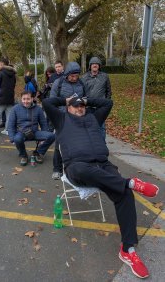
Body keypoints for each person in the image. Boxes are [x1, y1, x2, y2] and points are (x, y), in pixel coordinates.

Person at [42, 95, 159, 279]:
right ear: (68, 108)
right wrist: (66, 99)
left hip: (103, 165)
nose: (80, 108)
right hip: (78, 167)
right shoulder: (61, 119)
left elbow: (108, 103)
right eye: (76, 106)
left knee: (125, 195)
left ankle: (128, 249)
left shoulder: (93, 117)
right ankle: (129, 182)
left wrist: (86, 100)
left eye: (82, 106)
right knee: (83, 170)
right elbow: (47, 102)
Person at [50, 61, 85, 180]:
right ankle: (57, 169)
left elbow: (86, 99)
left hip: (77, 118)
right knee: (59, 144)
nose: (75, 78)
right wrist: (64, 103)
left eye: (77, 75)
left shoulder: (81, 84)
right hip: (62, 117)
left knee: (76, 144)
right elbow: (52, 101)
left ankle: (74, 168)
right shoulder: (58, 83)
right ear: (67, 74)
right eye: (72, 76)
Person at [8, 91, 55, 166]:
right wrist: (12, 138)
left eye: (28, 99)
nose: (26, 101)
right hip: (21, 133)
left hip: (35, 132)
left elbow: (43, 123)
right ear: (21, 99)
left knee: (52, 136)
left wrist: (43, 139)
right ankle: (23, 155)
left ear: (32, 99)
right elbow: (10, 125)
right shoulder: (15, 109)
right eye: (24, 99)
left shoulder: (38, 109)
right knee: (17, 139)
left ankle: (38, 153)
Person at [81, 56, 112, 139]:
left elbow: (108, 91)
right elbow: (81, 91)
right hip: (88, 107)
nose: (95, 65)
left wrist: (106, 102)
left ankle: (102, 144)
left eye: (96, 64)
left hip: (100, 107)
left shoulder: (105, 76)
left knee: (101, 127)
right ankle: (90, 145)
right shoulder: (84, 77)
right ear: (90, 66)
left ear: (99, 66)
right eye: (93, 64)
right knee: (88, 126)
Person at [0, 58, 16, 136]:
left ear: (3, 64)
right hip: (10, 97)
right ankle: (7, 130)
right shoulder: (13, 74)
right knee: (9, 115)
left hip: (0, 98)